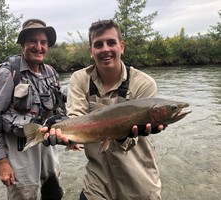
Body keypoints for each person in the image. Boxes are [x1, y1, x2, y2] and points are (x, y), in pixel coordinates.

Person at [42, 19, 165, 200]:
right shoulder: (79, 79)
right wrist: (61, 130)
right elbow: (76, 118)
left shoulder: (144, 84)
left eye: (111, 43)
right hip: (96, 182)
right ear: (91, 51)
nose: (105, 49)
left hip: (139, 182)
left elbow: (133, 142)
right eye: (98, 44)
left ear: (121, 46)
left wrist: (123, 134)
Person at [0, 19, 65, 200]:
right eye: (32, 41)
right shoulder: (8, 74)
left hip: (47, 147)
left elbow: (60, 111)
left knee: (53, 192)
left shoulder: (51, 73)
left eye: (43, 42)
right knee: (24, 195)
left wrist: (72, 137)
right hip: (19, 150)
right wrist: (2, 162)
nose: (38, 47)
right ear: (22, 44)